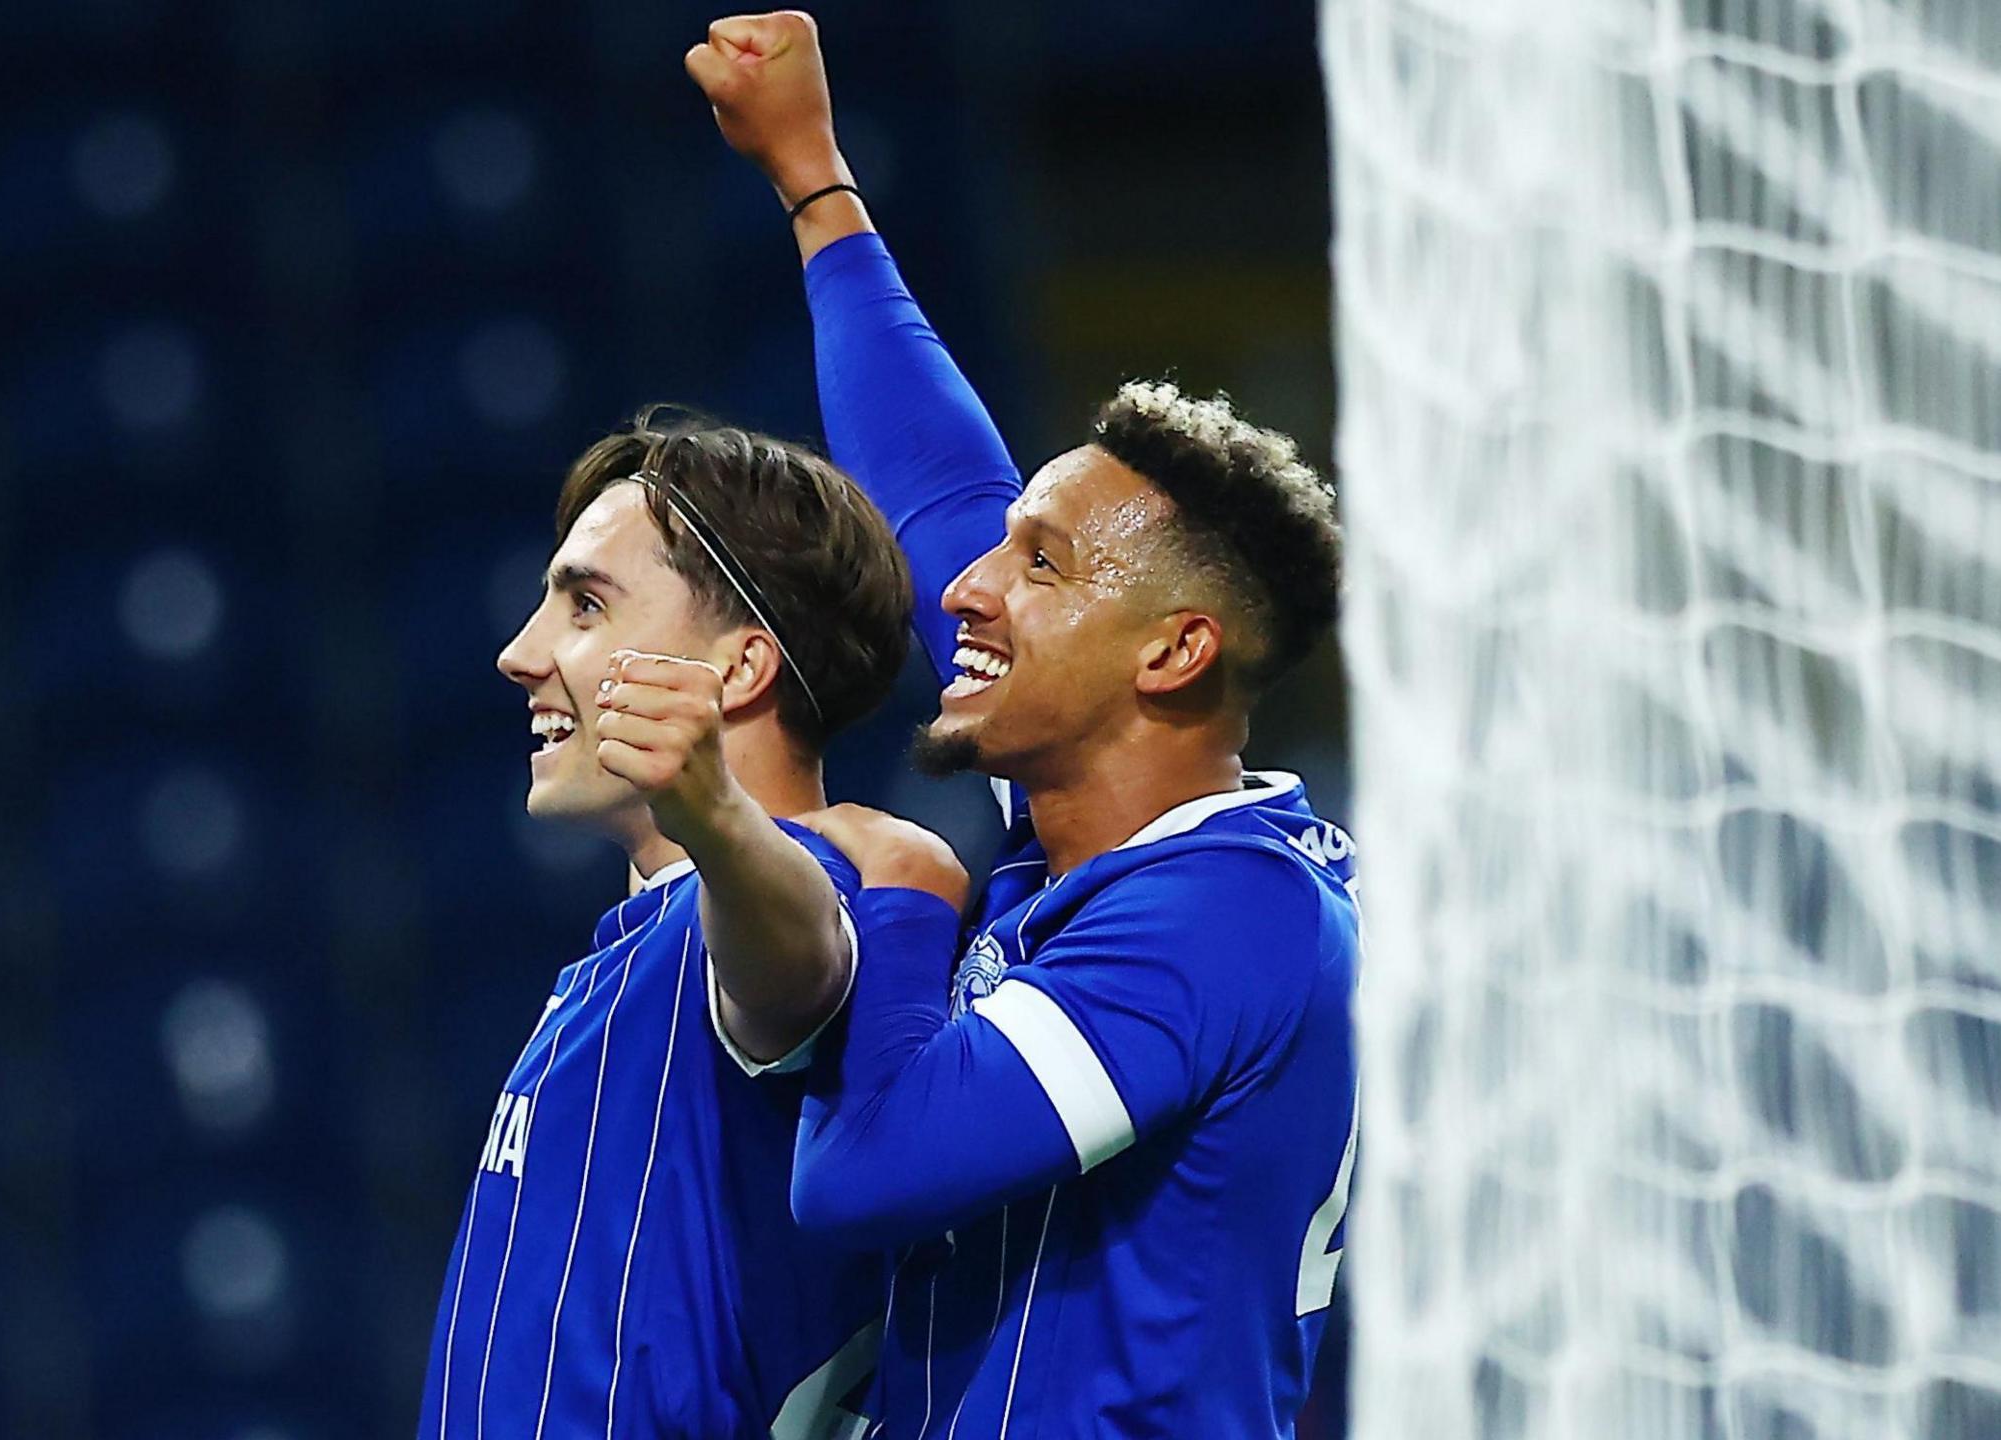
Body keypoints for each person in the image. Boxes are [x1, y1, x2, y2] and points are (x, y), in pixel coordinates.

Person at [686, 15, 1362, 1438]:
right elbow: (934, 486)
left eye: (1038, 564)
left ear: (1173, 652)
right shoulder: (1098, 831)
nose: (967, 590)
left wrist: (907, 892)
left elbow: (864, 1171)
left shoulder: (1229, 914)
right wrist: (812, 176)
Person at [420, 407, 915, 1437]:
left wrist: (720, 819)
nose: (519, 653)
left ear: (739, 669)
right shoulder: (632, 949)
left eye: (586, 606)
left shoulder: (786, 895)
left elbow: (799, 965)